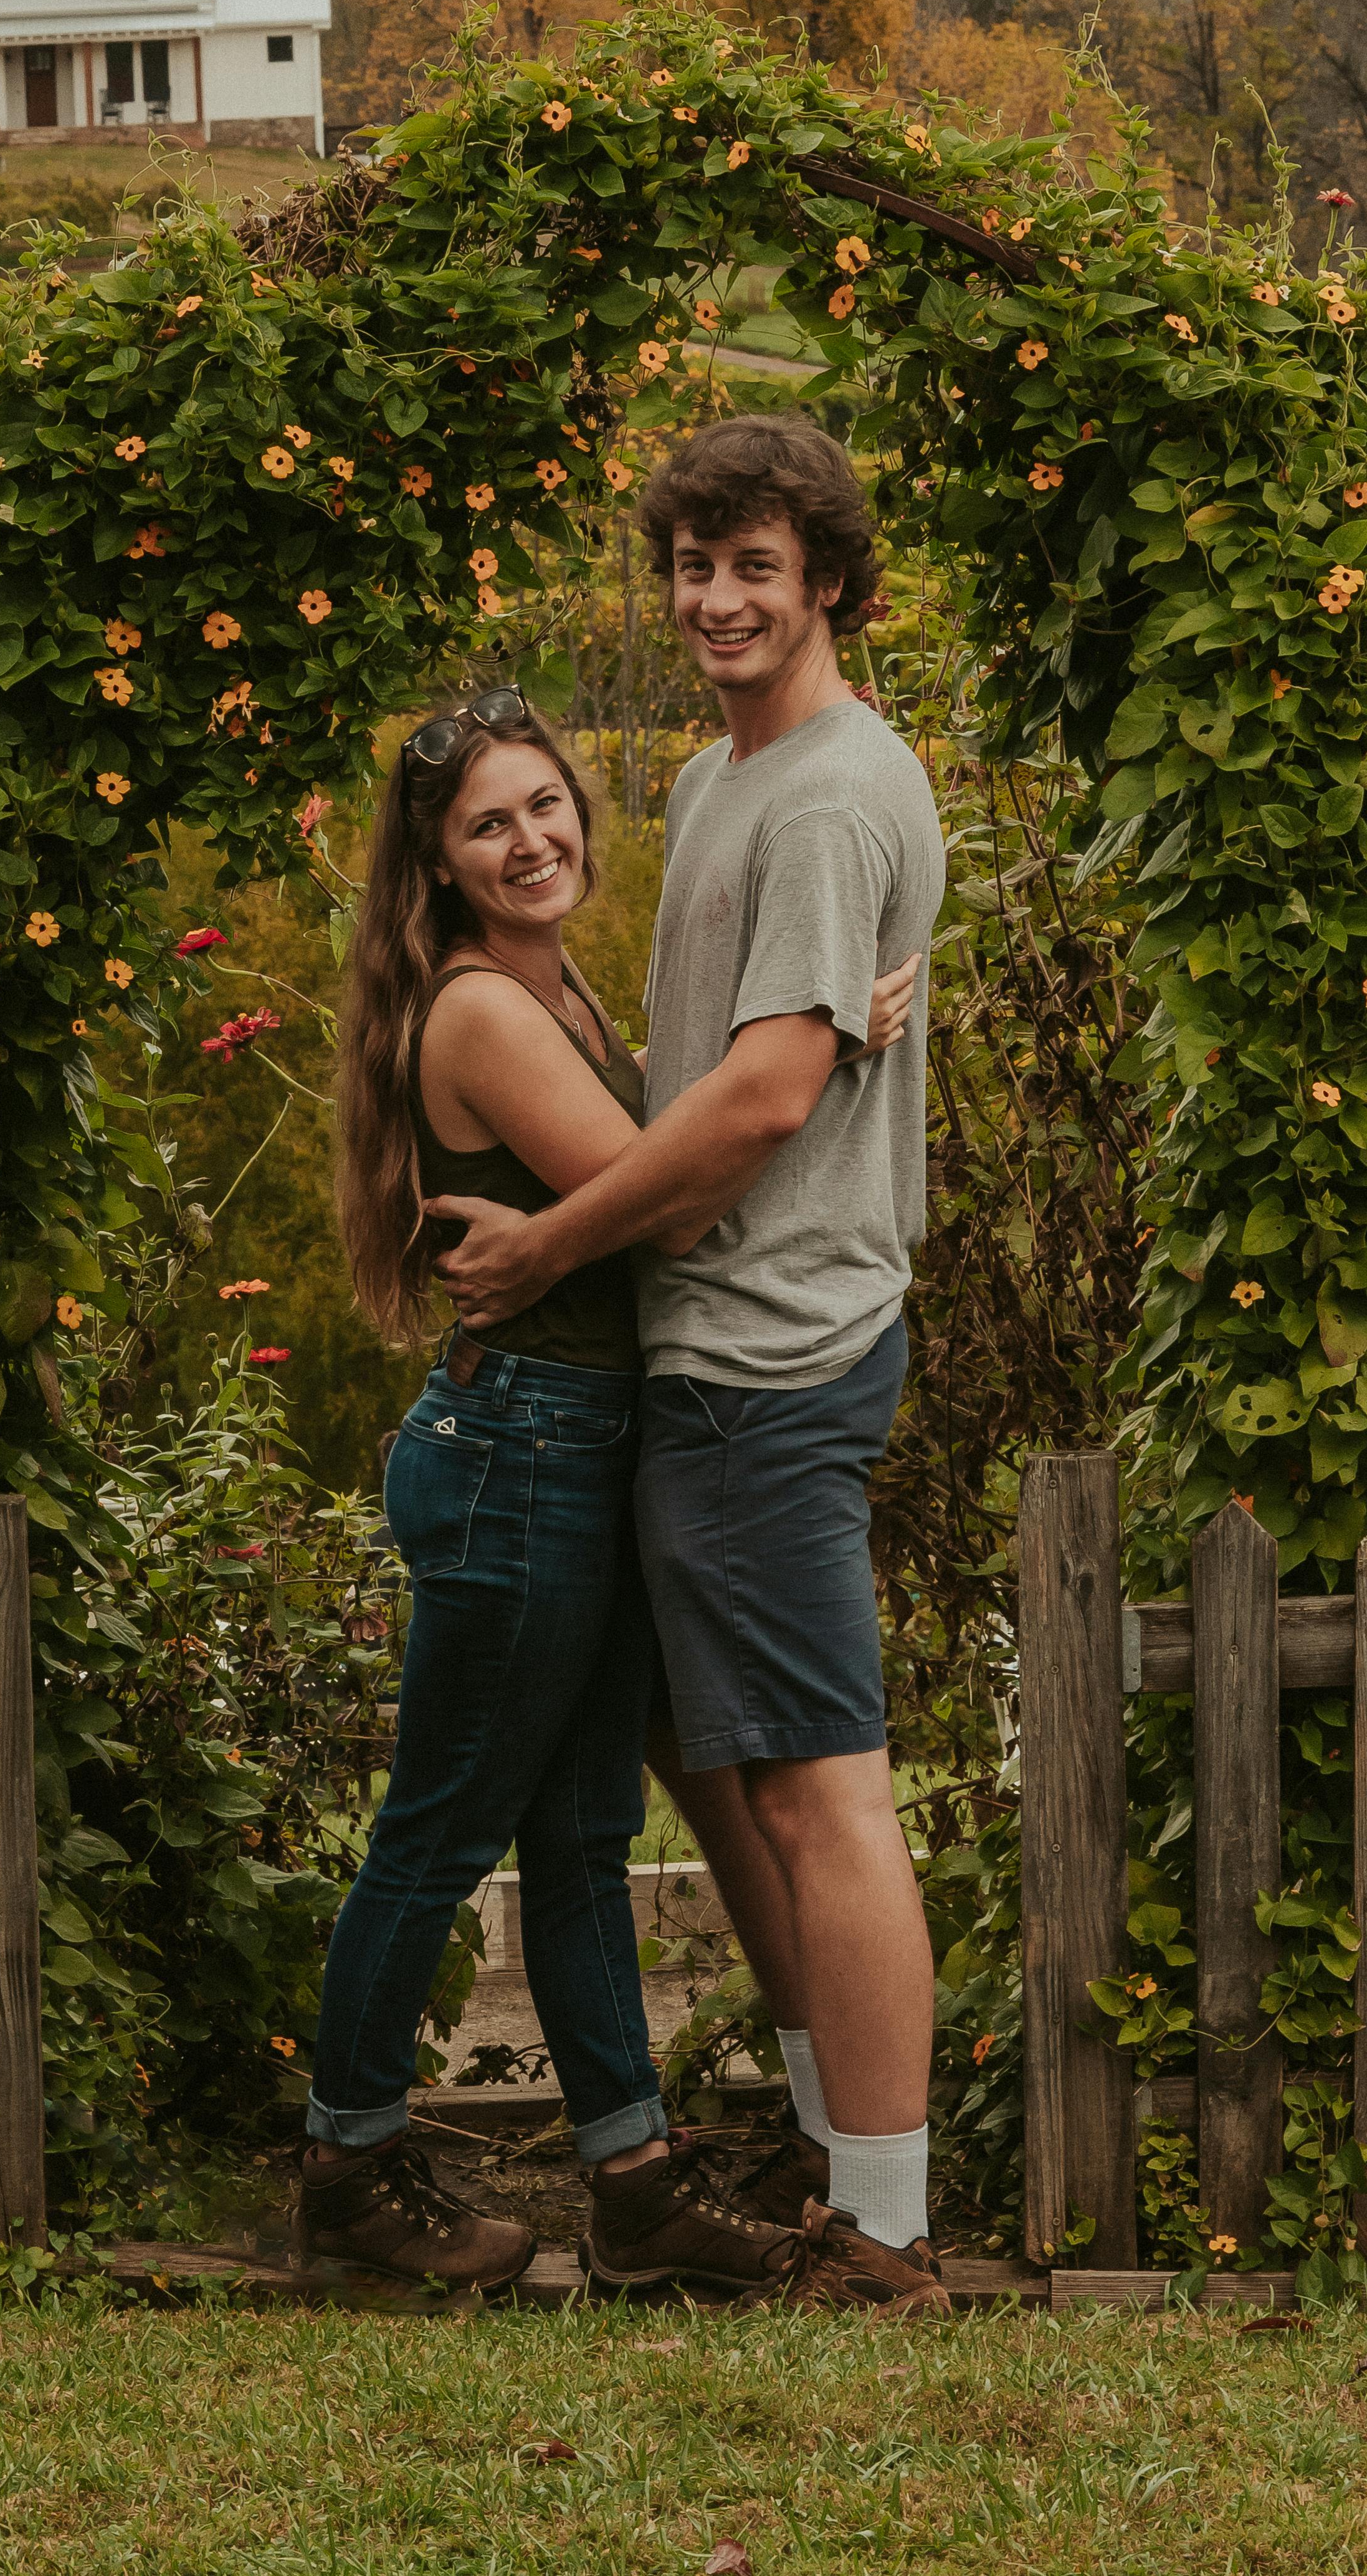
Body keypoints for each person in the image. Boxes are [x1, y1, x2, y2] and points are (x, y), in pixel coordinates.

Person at [294, 680, 917, 2299]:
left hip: (578, 1440)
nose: (531, 839)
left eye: (546, 804)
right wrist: (821, 1044)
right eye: (486, 823)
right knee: (438, 1833)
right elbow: (680, 1208)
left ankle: (631, 2185)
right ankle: (350, 2166)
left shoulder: (556, 988)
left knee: (579, 1834)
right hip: (522, 1454)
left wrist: (820, 1032)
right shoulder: (485, 1014)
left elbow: (672, 1151)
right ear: (436, 862)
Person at [428, 415, 951, 2317]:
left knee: (819, 1793)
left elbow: (756, 1099)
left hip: (762, 1356)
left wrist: (550, 1243)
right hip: (730, 1347)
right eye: (691, 565)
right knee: (723, 1779)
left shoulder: (816, 796)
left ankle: (882, 2235)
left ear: (827, 580)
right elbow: (769, 1047)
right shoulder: (728, 778)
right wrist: (861, 1002)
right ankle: (838, 2161)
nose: (715, 598)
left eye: (754, 565)